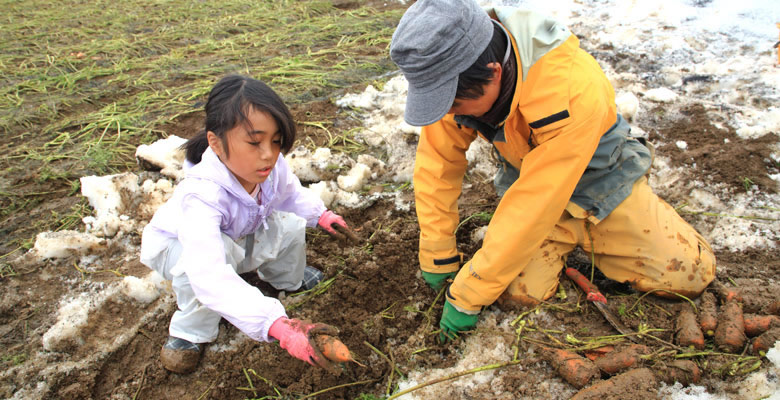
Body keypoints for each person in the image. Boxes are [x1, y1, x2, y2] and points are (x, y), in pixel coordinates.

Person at [389, 0, 716, 341]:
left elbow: (534, 203)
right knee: (518, 296)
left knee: (689, 274)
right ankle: (557, 240)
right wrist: (437, 251)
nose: (449, 113)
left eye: (454, 105)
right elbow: (437, 166)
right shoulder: (454, 71)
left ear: (494, 73)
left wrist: (467, 296)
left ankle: (615, 231)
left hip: (601, 184)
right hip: (532, 189)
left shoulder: (570, 86)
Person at [140, 74, 353, 373]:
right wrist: (278, 326)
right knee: (197, 271)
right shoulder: (202, 195)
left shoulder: (271, 166)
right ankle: (190, 332)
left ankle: (287, 279)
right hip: (177, 249)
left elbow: (290, 193)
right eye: (254, 142)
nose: (268, 154)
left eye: (276, 141)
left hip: (236, 236)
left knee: (289, 225)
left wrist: (320, 215)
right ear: (215, 142)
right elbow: (208, 274)